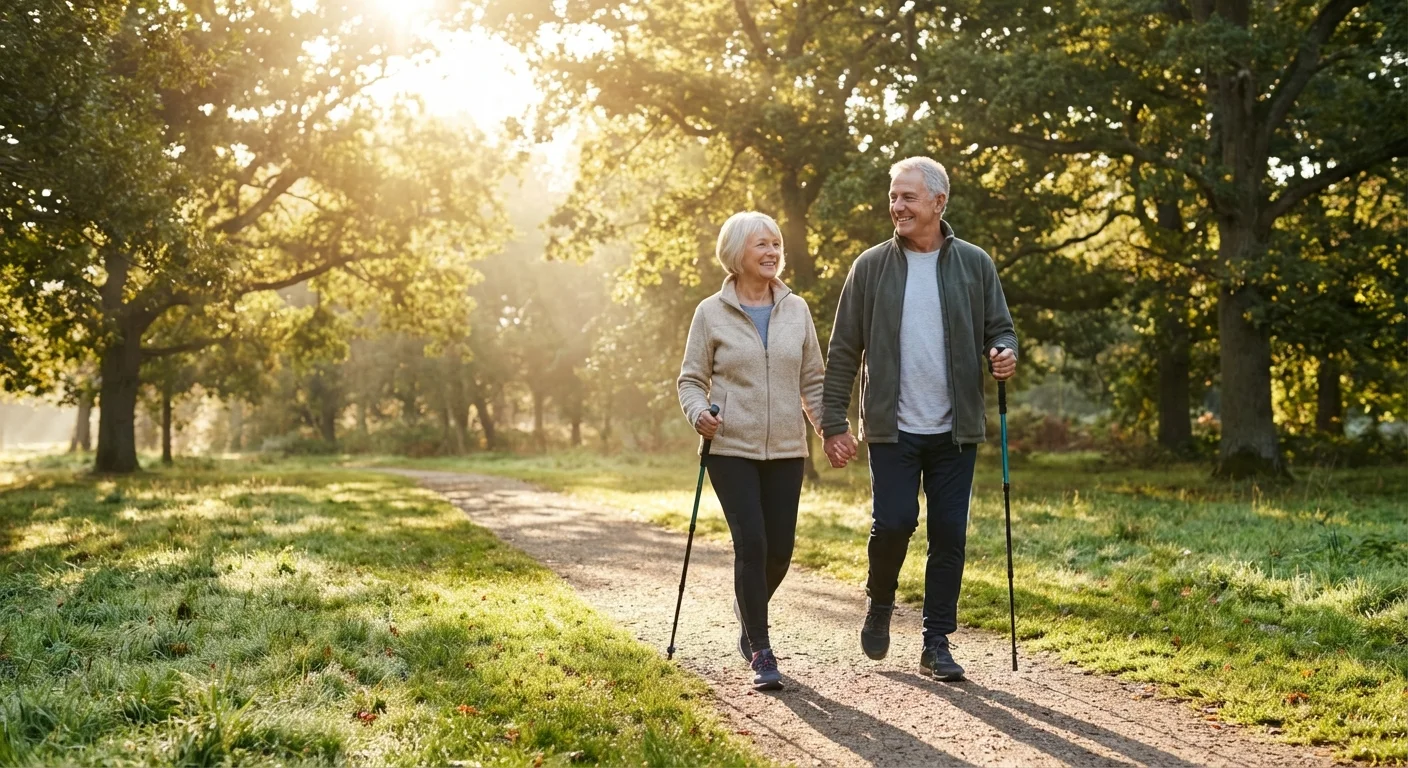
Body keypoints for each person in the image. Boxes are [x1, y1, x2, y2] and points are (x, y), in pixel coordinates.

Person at [821, 156, 1018, 681]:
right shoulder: (870, 267)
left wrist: (1003, 352)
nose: (897, 206)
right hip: (891, 426)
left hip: (956, 429)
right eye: (893, 197)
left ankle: (936, 640)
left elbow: (1001, 329)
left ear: (938, 202)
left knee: (949, 532)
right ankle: (881, 601)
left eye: (908, 197)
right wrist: (833, 421)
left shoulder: (975, 264)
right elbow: (843, 351)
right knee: (895, 523)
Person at [678, 211, 826, 691]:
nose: (772, 252)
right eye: (761, 244)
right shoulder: (709, 313)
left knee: (780, 550)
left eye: (776, 244)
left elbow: (813, 381)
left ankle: (748, 610)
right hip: (730, 448)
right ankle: (760, 649)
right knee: (753, 542)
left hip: (786, 449)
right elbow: (691, 380)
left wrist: (830, 429)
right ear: (737, 252)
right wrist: (699, 413)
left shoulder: (796, 309)